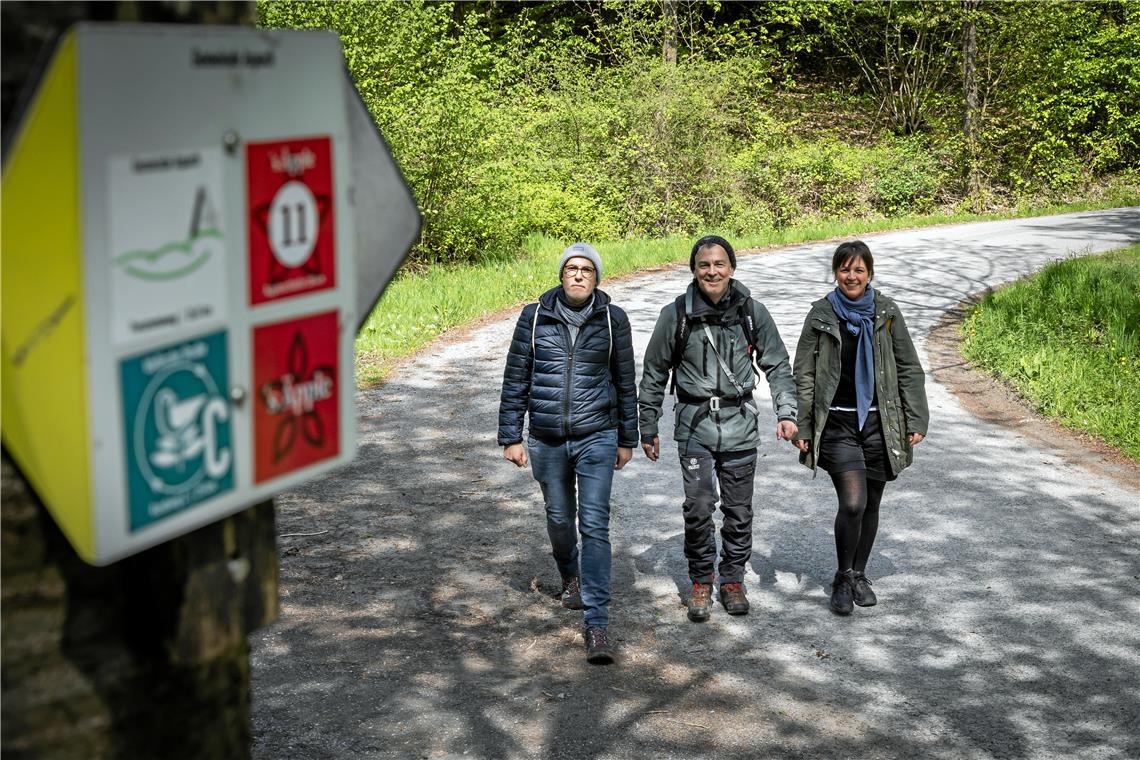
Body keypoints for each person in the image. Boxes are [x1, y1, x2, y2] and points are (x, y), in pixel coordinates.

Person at [638, 235, 798, 622]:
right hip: (694, 427)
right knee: (698, 508)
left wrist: (787, 412)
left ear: (732, 268)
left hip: (740, 425)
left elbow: (777, 364)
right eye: (704, 265)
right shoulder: (674, 315)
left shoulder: (751, 313)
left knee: (739, 510)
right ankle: (700, 581)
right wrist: (647, 425)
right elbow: (655, 372)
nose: (712, 271)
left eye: (719, 264)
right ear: (694, 270)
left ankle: (732, 580)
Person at [498, 242, 638, 664]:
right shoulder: (534, 316)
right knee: (559, 517)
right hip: (546, 437)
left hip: (597, 435)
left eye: (587, 270)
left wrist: (627, 439)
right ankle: (569, 576)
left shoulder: (613, 320)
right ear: (561, 275)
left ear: (597, 278)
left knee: (595, 523)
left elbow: (625, 380)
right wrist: (511, 436)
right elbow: (515, 377)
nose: (578, 275)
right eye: (571, 269)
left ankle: (597, 623)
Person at [792, 240, 929, 615]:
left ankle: (858, 574)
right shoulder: (821, 315)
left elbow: (908, 367)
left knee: (871, 504)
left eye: (858, 270)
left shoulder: (886, 312)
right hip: (836, 422)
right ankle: (842, 575)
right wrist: (803, 425)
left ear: (870, 273)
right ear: (835, 272)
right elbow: (802, 373)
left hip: (880, 421)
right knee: (853, 503)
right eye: (844, 269)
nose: (851, 276)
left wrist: (915, 418)